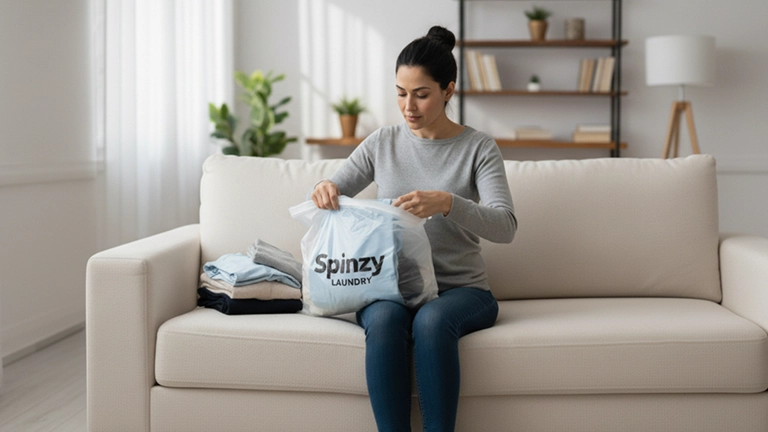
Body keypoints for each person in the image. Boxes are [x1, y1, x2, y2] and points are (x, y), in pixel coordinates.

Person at [311, 25, 517, 432]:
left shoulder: (478, 147)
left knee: (431, 321)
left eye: (421, 94)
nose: (409, 106)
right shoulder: (382, 143)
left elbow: (506, 226)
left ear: (448, 90)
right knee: (385, 321)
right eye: (401, 93)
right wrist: (324, 189)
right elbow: (333, 191)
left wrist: (448, 203)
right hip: (389, 286)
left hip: (462, 290)